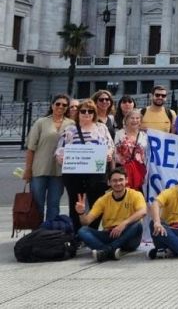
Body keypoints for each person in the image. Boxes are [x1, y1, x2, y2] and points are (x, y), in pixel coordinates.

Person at [56, 99, 115, 231]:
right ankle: (77, 232)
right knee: (76, 203)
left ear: (94, 113)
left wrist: (109, 154)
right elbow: (60, 149)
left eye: (90, 111)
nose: (87, 113)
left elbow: (110, 145)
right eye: (83, 111)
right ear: (78, 113)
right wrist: (61, 157)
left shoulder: (101, 128)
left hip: (96, 172)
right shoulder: (70, 129)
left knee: (97, 203)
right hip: (74, 173)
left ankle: (92, 231)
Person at [76, 167, 146, 261]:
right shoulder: (103, 199)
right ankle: (110, 251)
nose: (118, 183)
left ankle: (105, 251)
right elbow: (86, 222)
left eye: (121, 180)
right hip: (109, 234)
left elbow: (143, 212)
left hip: (128, 236)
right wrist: (81, 212)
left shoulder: (136, 195)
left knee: (137, 225)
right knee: (83, 230)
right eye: (114, 181)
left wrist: (123, 224)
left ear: (126, 180)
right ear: (109, 182)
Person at [23, 94, 73, 222]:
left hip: (59, 171)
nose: (60, 107)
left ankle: (50, 234)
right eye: (58, 104)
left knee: (54, 204)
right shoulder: (41, 122)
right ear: (52, 105)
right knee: (37, 203)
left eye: (64, 105)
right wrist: (28, 169)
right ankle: (37, 233)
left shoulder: (71, 124)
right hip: (39, 169)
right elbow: (30, 148)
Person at [113, 110, 149, 191]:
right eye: (132, 118)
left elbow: (147, 155)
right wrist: (113, 172)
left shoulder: (145, 135)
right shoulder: (119, 134)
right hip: (122, 170)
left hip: (139, 170)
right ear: (126, 120)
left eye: (137, 118)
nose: (135, 120)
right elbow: (114, 154)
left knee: (137, 194)